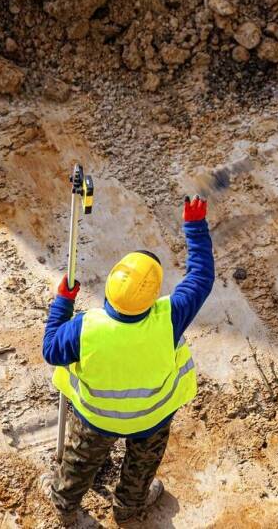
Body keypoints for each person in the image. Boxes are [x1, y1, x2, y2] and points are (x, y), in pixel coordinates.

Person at [39, 195, 213, 526]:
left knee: (79, 462)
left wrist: (63, 302)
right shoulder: (169, 317)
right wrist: (195, 226)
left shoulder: (86, 327)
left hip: (96, 418)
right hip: (152, 416)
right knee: (142, 464)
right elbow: (201, 277)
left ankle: (65, 505)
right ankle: (128, 507)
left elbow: (51, 350)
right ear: (153, 297)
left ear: (108, 289)